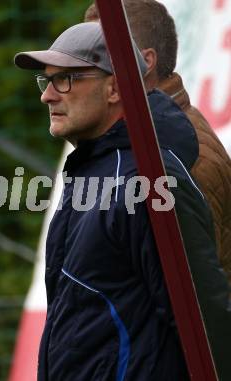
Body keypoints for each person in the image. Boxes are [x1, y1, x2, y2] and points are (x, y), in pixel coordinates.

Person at [14, 22, 230, 380]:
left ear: (115, 87)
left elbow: (205, 328)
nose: (47, 96)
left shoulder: (149, 183)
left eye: (65, 79)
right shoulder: (91, 175)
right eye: (46, 81)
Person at [85, 0, 231, 283]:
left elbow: (193, 305)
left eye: (97, 55)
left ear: (146, 61)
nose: (85, 67)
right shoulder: (134, 136)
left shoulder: (186, 157)